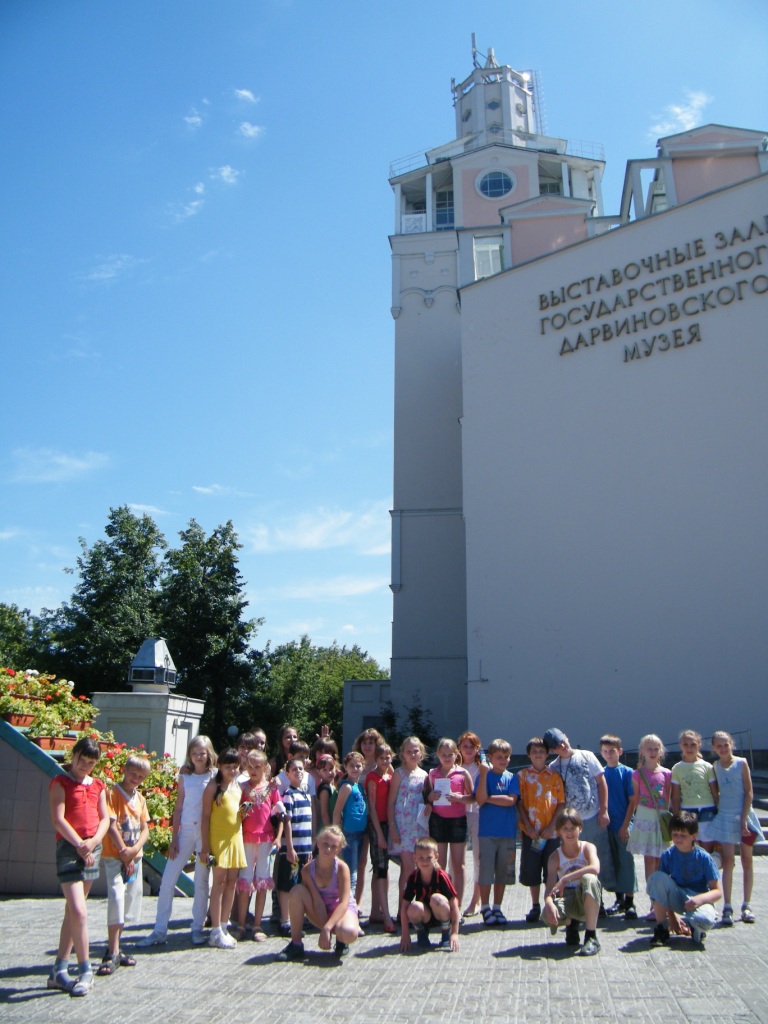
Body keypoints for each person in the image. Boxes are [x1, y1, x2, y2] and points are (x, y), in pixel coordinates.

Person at [137, 735, 216, 947]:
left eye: (202, 753)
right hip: (186, 831)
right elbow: (179, 807)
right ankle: (159, 929)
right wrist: (174, 839)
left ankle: (197, 928)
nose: (198, 757)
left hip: (205, 833)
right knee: (168, 880)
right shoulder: (185, 776)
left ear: (209, 753)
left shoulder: (215, 775)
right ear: (189, 755)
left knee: (201, 882)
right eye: (194, 753)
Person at [48, 736, 110, 997]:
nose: (84, 766)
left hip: (92, 850)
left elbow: (105, 818)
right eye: (81, 760)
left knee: (73, 912)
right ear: (73, 756)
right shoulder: (60, 782)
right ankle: (85, 971)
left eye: (90, 763)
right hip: (70, 850)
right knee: (79, 912)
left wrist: (93, 842)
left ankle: (59, 969)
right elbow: (58, 819)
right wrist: (80, 845)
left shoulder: (98, 785)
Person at [542, 728, 614, 900]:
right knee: (577, 860)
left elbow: (601, 782)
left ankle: (600, 900)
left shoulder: (587, 755)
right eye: (557, 746)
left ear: (567, 737)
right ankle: (579, 898)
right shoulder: (554, 767)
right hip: (571, 823)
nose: (562, 746)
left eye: (562, 741)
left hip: (593, 816)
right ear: (553, 750)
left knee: (599, 858)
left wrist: (604, 810)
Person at [97, 753, 150, 976]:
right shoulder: (113, 794)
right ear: (125, 771)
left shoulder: (140, 799)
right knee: (116, 898)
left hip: (134, 857)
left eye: (140, 776)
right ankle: (111, 951)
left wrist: (135, 850)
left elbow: (145, 828)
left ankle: (116, 948)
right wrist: (124, 852)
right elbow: (110, 826)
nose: (135, 778)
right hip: (115, 856)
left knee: (129, 901)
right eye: (133, 773)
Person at [276, 825, 360, 961]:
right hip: (320, 910)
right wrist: (325, 929)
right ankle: (296, 944)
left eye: (334, 846)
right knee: (296, 891)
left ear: (339, 849)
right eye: (325, 844)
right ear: (318, 843)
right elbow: (318, 901)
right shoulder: (307, 870)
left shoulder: (342, 868)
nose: (328, 849)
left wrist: (328, 928)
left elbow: (344, 903)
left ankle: (341, 940)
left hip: (341, 911)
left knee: (349, 932)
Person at [647, 811, 722, 947]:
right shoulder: (667, 855)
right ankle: (662, 929)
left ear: (694, 836)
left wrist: (699, 900)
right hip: (678, 896)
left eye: (683, 835)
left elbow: (717, 892)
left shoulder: (704, 858)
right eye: (675, 834)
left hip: (699, 899)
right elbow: (661, 889)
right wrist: (672, 918)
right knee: (656, 878)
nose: (678, 839)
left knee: (705, 921)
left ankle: (695, 927)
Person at [709, 730, 759, 924]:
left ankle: (746, 905)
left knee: (747, 860)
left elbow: (749, 792)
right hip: (725, 817)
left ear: (731, 745)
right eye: (719, 746)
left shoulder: (741, 763)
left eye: (726, 745)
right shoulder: (715, 766)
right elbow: (716, 792)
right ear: (714, 748)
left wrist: (744, 818)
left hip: (744, 817)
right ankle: (727, 906)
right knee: (728, 861)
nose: (723, 749)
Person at [233, 749, 283, 941]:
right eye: (250, 766)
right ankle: (241, 924)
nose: (253, 770)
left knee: (262, 880)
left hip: (265, 839)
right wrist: (243, 811)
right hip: (246, 838)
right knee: (245, 880)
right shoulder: (242, 787)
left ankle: (257, 924)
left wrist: (278, 837)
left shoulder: (272, 788)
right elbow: (238, 814)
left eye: (257, 766)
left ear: (265, 768)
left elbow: (280, 814)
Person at [621, 733, 671, 919]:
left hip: (660, 819)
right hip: (644, 817)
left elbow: (667, 799)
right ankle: (653, 902)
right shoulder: (637, 774)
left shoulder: (667, 773)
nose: (653, 751)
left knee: (660, 860)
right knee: (650, 860)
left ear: (661, 751)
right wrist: (627, 823)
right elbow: (634, 800)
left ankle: (661, 901)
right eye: (649, 748)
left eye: (656, 748)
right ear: (642, 751)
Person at [201, 748, 247, 948]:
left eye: (235, 766)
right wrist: (205, 846)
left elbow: (236, 814)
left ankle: (223, 926)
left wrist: (244, 813)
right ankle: (215, 931)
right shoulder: (213, 786)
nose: (232, 770)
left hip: (235, 837)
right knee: (218, 883)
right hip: (218, 838)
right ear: (219, 766)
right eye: (228, 766)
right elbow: (205, 816)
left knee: (231, 883)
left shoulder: (238, 786)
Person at [516, 736, 565, 924]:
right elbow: (519, 803)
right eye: (534, 751)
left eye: (542, 751)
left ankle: (550, 904)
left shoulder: (554, 776)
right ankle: (535, 905)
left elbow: (561, 803)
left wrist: (552, 826)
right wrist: (528, 827)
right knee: (532, 870)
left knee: (552, 870)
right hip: (532, 833)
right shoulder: (522, 776)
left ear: (547, 754)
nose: (538, 754)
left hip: (551, 833)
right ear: (528, 754)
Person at [543, 808, 602, 956]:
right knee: (546, 914)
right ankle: (572, 925)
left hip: (586, 896)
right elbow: (549, 889)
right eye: (565, 829)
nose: (569, 832)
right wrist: (549, 903)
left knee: (590, 879)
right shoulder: (554, 857)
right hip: (568, 898)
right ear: (559, 832)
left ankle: (591, 936)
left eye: (573, 828)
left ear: (580, 828)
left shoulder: (588, 848)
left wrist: (565, 878)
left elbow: (595, 868)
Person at [423, 737, 473, 910]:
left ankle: (457, 905)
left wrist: (460, 798)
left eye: (450, 754)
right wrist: (431, 797)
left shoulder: (462, 773)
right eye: (443, 754)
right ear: (438, 755)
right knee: (439, 864)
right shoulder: (432, 773)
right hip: (438, 820)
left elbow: (472, 797)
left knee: (458, 865)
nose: (446, 758)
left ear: (456, 754)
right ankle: (441, 904)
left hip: (458, 820)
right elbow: (427, 797)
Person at [475, 737, 519, 926]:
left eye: (506, 757)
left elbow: (511, 801)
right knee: (486, 872)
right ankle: (485, 907)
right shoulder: (483, 776)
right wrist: (484, 775)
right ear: (490, 758)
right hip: (487, 833)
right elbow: (479, 799)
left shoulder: (512, 778)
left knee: (503, 872)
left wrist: (489, 797)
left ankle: (497, 906)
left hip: (507, 833)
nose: (503, 760)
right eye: (499, 757)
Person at [387, 736, 429, 911]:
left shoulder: (425, 775)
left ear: (421, 753)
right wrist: (392, 827)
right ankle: (402, 909)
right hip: (403, 826)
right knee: (407, 868)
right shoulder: (399, 774)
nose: (412, 754)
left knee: (420, 867)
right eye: (409, 751)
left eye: (416, 751)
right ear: (402, 754)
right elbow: (390, 802)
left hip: (419, 827)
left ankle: (418, 907)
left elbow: (427, 800)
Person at [599, 733, 638, 919]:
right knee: (613, 862)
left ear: (620, 752)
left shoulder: (627, 772)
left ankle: (630, 902)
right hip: (607, 826)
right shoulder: (600, 773)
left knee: (626, 863)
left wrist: (626, 825)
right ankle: (619, 900)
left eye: (612, 751)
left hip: (623, 825)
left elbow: (633, 801)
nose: (609, 754)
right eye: (605, 751)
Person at [399, 837, 460, 952]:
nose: (425, 861)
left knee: (437, 899)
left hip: (441, 914)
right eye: (421, 858)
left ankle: (445, 934)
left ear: (436, 857)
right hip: (425, 916)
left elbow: (454, 904)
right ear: (415, 858)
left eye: (429, 857)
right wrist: (405, 934)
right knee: (414, 907)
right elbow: (404, 906)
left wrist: (455, 933)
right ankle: (421, 933)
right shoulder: (413, 877)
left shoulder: (441, 876)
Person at [276, 757, 314, 933]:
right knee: (287, 885)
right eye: (294, 769)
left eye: (300, 769)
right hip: (292, 850)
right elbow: (287, 822)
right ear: (287, 774)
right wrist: (289, 848)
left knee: (300, 884)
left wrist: (310, 847)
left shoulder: (305, 794)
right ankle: (285, 921)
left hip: (305, 849)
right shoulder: (288, 795)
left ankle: (298, 918)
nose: (298, 772)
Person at [670, 729, 719, 850]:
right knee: (692, 848)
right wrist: (676, 816)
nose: (689, 748)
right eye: (685, 744)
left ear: (699, 745)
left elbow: (715, 792)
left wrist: (719, 811)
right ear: (681, 746)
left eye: (693, 744)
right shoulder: (676, 768)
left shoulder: (707, 766)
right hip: (688, 812)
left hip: (707, 809)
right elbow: (675, 796)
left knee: (707, 848)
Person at [366, 742, 395, 932]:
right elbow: (372, 807)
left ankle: (377, 910)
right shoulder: (373, 777)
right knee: (380, 868)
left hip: (388, 824)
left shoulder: (389, 775)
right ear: (376, 759)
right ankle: (385, 915)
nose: (385, 761)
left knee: (382, 868)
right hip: (378, 825)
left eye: (387, 757)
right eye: (381, 758)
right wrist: (379, 834)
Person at [333, 751, 369, 897]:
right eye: (351, 766)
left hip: (361, 832)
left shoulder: (359, 786)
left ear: (363, 767)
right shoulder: (346, 787)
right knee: (351, 873)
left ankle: (350, 903)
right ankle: (348, 904)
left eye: (358, 766)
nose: (355, 769)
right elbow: (337, 812)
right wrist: (337, 834)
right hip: (349, 833)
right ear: (345, 767)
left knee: (356, 870)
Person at [457, 731, 483, 917]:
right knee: (457, 860)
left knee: (478, 858)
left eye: (472, 746)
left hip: (479, 815)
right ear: (459, 747)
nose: (468, 749)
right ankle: (455, 900)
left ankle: (476, 899)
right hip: (458, 815)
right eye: (465, 746)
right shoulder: (454, 767)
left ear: (477, 749)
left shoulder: (483, 768)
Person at [316, 754, 339, 828]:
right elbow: (324, 814)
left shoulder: (332, 786)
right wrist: (330, 830)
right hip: (326, 828)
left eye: (331, 769)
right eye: (324, 770)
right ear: (318, 771)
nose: (329, 773)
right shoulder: (324, 788)